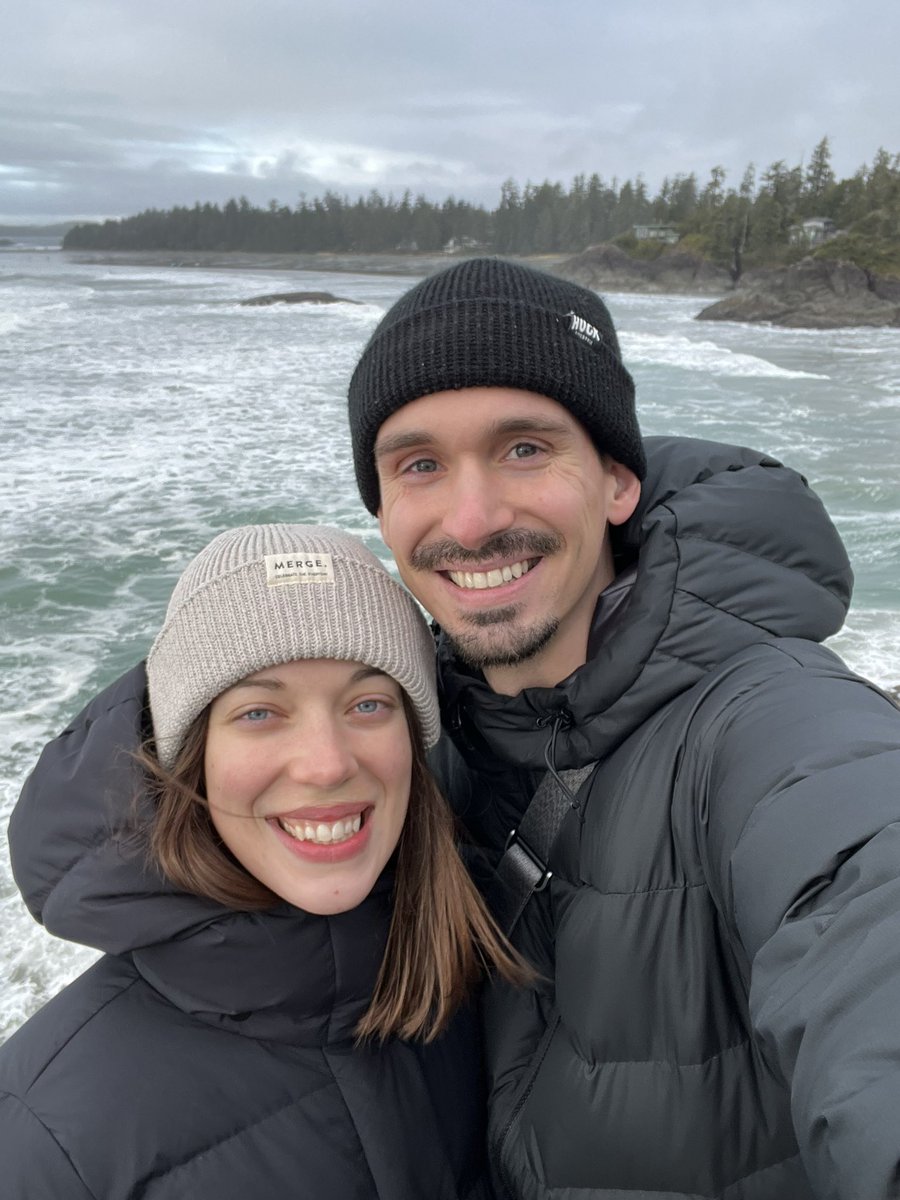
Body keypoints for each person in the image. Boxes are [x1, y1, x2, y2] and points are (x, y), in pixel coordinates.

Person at [343, 257, 900, 1199]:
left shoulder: (766, 718)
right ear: (384, 509)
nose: (471, 520)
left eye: (525, 448)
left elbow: (861, 882)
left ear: (616, 483)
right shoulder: (403, 734)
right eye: (421, 465)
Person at [0, 523, 527, 1200]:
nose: (328, 764)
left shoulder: (490, 966)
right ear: (191, 756)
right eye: (259, 713)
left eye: (369, 703)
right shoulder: (44, 1136)